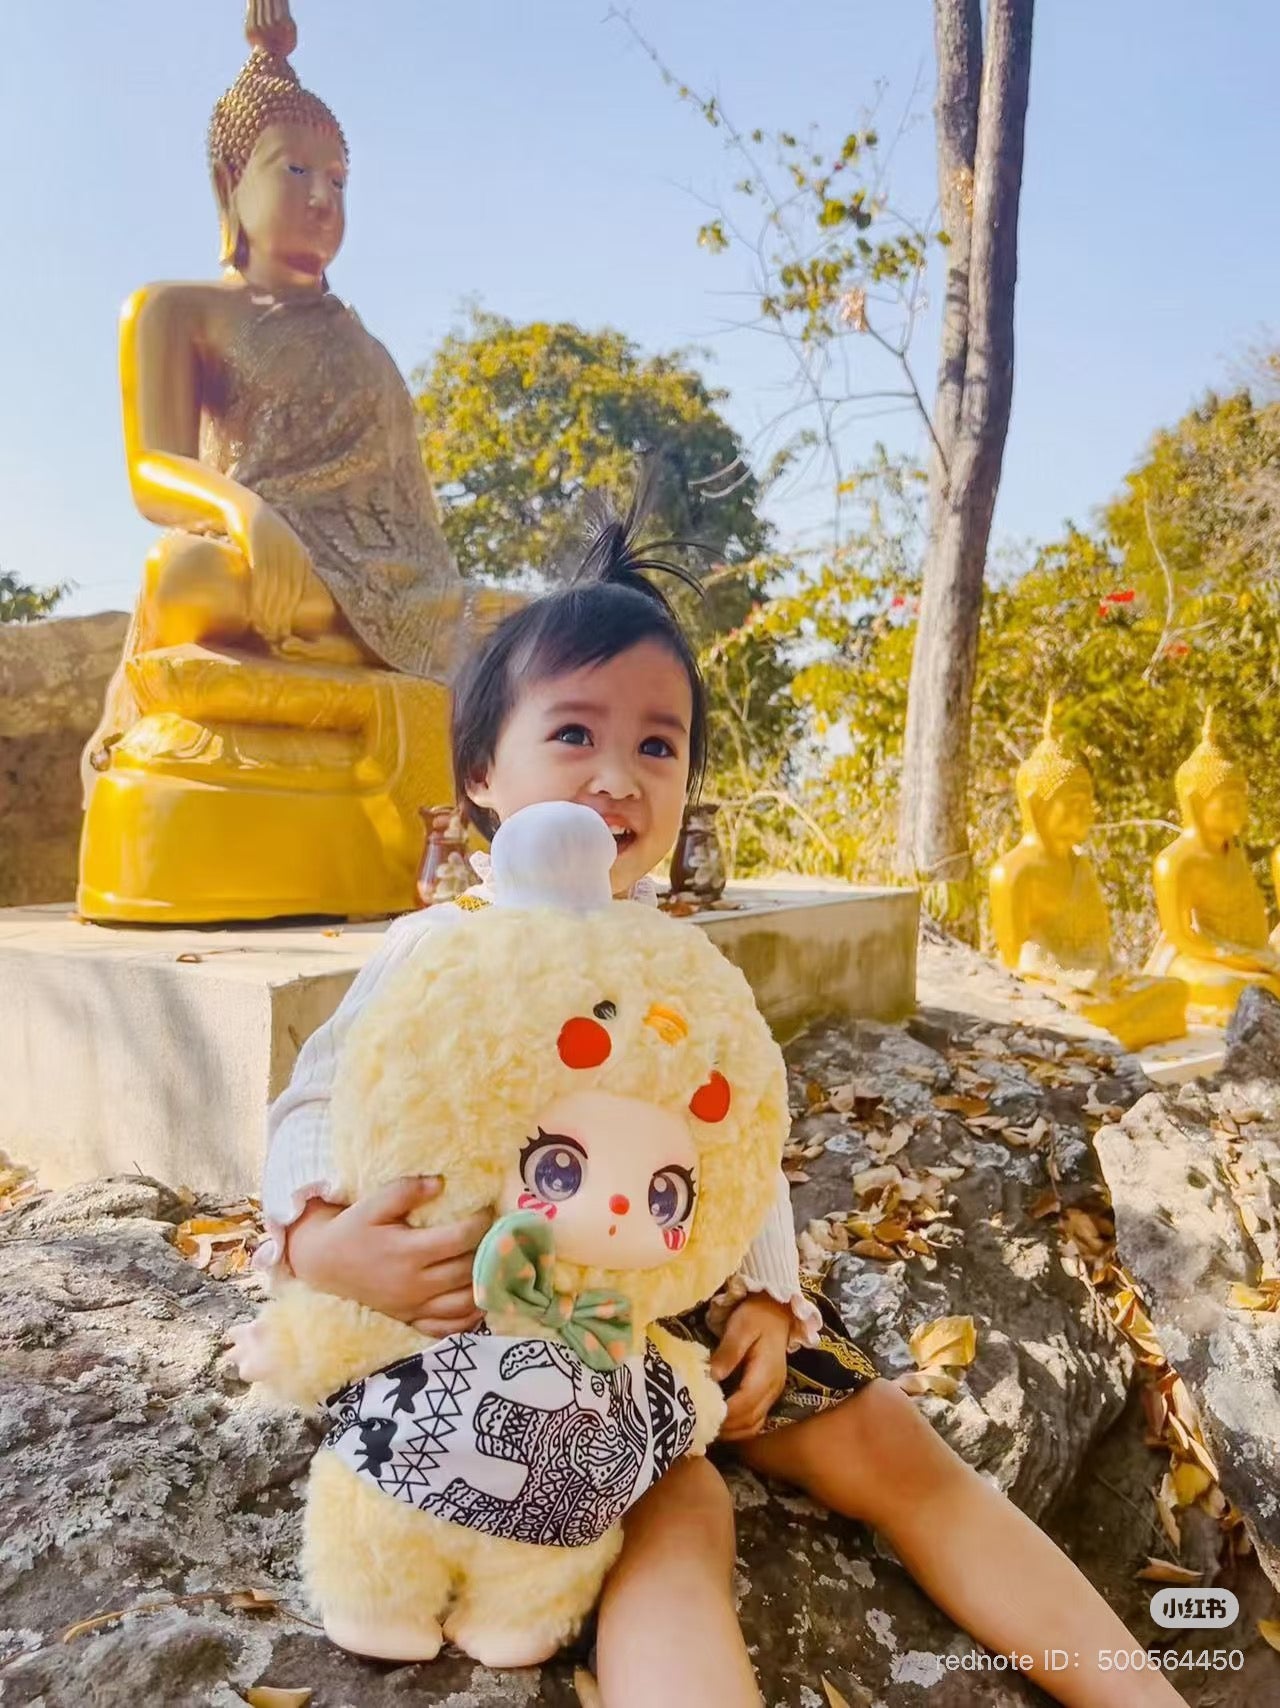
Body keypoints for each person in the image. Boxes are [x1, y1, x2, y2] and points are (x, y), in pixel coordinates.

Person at [246, 493, 1182, 1708]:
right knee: (675, 1512)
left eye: (656, 745)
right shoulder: (437, 949)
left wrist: (769, 1300)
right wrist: (322, 1243)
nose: (616, 776)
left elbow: (735, 1133)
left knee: (893, 1443)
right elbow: (311, 1102)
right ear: (481, 771)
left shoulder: (676, 967)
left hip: (679, 1302)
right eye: (572, 734)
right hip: (501, 1310)